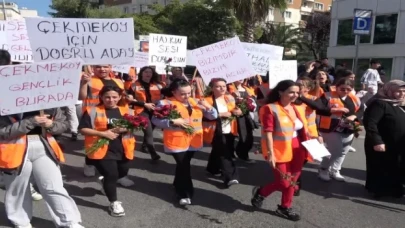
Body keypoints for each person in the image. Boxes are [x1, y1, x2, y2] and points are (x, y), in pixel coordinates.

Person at [0, 106, 83, 228]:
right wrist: (31, 121)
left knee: (54, 186)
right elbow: (3, 132)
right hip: (14, 150)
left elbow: (63, 125)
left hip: (44, 146)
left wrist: (50, 124)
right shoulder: (5, 103)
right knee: (17, 188)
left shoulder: (49, 102)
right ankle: (20, 221)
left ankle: (68, 221)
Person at [251, 80, 310, 221]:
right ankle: (261, 192)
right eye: (291, 92)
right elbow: (268, 132)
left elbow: (304, 127)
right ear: (280, 92)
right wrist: (270, 153)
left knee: (293, 181)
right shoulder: (270, 108)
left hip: (298, 148)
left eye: (297, 92)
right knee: (284, 182)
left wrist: (316, 137)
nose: (295, 95)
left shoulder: (298, 108)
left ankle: (284, 207)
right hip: (279, 149)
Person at [152, 79, 218, 205]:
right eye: (182, 94)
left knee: (183, 165)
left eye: (189, 93)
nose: (186, 96)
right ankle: (185, 193)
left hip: (193, 141)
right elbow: (155, 120)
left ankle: (177, 183)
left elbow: (213, 116)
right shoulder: (165, 103)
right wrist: (171, 122)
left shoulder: (195, 101)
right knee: (184, 166)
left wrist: (208, 107)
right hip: (177, 142)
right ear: (173, 92)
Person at [79, 86, 136, 217]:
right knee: (112, 174)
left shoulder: (128, 111)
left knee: (122, 172)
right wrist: (102, 133)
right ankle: (114, 202)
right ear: (102, 98)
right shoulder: (92, 111)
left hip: (124, 149)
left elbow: (136, 127)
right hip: (102, 149)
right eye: (107, 97)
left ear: (120, 97)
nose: (111, 100)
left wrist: (126, 129)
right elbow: (82, 129)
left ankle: (105, 183)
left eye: (114, 97)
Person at [79, 65, 125, 177]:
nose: (102, 69)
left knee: (115, 142)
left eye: (105, 66)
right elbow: (81, 96)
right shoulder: (88, 79)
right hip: (93, 115)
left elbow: (121, 98)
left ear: (111, 67)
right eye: (98, 66)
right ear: (93, 68)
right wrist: (84, 83)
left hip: (113, 114)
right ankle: (90, 163)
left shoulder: (118, 81)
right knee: (93, 141)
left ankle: (114, 171)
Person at [363, 80, 405, 198]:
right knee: (381, 167)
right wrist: (377, 141)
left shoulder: (401, 104)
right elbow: (370, 123)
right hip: (382, 143)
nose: (401, 94)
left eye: (404, 91)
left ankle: (395, 190)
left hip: (398, 144)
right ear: (389, 91)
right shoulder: (380, 104)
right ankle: (379, 191)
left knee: (396, 166)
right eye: (398, 91)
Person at [317, 78, 361, 181]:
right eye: (342, 89)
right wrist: (334, 110)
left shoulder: (354, 98)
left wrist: (354, 116)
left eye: (348, 89)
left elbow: (361, 110)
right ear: (336, 87)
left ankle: (335, 170)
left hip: (348, 128)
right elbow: (318, 108)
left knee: (344, 151)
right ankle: (323, 169)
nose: (345, 91)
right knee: (334, 151)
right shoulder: (327, 96)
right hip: (331, 127)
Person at [203, 78, 240, 187]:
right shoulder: (207, 100)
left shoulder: (229, 98)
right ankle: (230, 177)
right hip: (214, 131)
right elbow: (203, 116)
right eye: (218, 86)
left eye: (224, 86)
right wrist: (221, 114)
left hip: (229, 129)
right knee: (225, 153)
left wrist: (238, 110)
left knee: (219, 150)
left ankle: (212, 169)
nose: (222, 88)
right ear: (212, 88)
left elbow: (234, 109)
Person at [127, 66, 162, 161]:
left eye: (150, 72)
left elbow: (166, 95)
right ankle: (153, 153)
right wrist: (144, 104)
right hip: (141, 111)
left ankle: (144, 145)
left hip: (155, 111)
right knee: (149, 132)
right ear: (141, 73)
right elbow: (130, 100)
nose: (148, 74)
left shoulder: (158, 85)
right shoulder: (134, 85)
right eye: (146, 72)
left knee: (149, 131)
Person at [227, 79, 257, 161]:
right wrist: (233, 97)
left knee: (247, 137)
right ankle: (231, 155)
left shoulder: (246, 89)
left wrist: (248, 104)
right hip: (232, 116)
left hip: (245, 116)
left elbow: (253, 103)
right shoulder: (227, 89)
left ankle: (242, 153)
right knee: (230, 137)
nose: (241, 78)